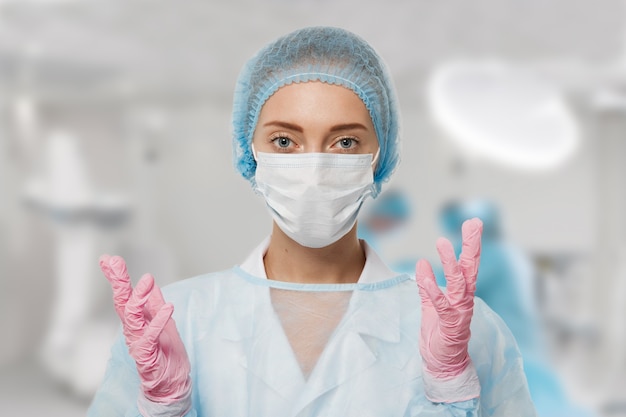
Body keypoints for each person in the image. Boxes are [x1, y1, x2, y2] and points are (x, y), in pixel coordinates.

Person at [88, 26, 536, 416]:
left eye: (344, 142)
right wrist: (163, 410)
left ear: (379, 158)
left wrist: (452, 398)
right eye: (285, 140)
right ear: (250, 153)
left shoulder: (464, 331)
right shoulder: (172, 323)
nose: (315, 168)